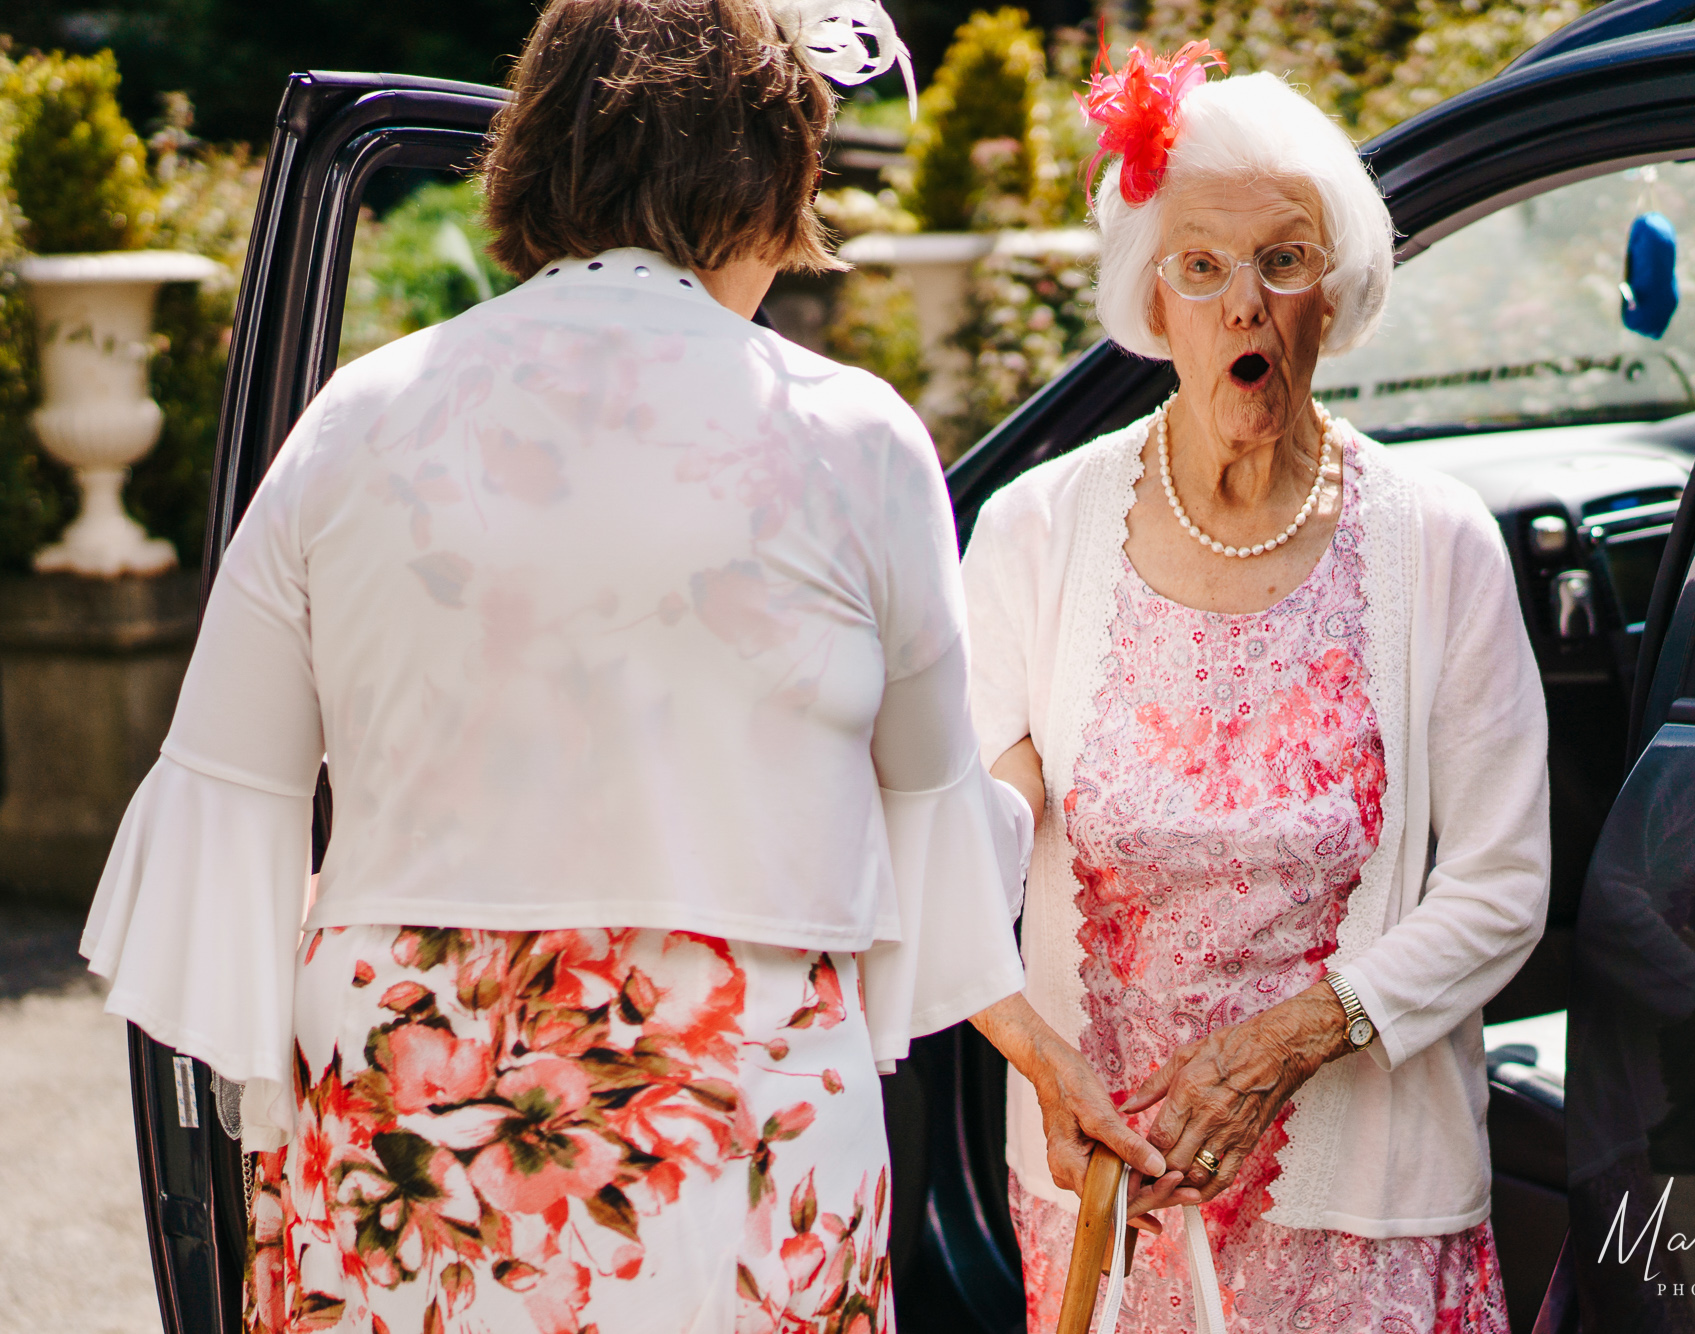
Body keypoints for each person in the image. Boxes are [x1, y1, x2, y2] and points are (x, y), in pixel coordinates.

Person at [78, 2, 1162, 1330]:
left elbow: (229, 793)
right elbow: (929, 819)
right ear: (771, 185)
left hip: (410, 1103)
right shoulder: (854, 439)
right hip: (736, 1110)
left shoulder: (353, 421)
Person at [964, 49, 1553, 1331]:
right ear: (1149, 298)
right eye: (1201, 266)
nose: (1245, 305)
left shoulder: (1437, 544)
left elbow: (1502, 884)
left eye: (1283, 262)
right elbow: (956, 834)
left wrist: (1291, 1039)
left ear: (1331, 296)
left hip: (1369, 1213)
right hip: (1107, 1208)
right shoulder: (1033, 534)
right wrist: (1032, 1052)